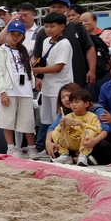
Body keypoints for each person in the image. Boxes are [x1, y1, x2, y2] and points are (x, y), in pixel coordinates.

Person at [30, 12, 73, 156]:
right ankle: (47, 147)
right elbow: (44, 62)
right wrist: (39, 77)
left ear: (62, 26)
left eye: (52, 26)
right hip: (48, 86)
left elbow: (58, 67)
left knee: (58, 119)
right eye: (47, 26)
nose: (49, 29)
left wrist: (33, 69)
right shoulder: (45, 41)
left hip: (60, 87)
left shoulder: (64, 44)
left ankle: (62, 148)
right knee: (46, 119)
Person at [0, 20, 37, 157]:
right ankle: (11, 147)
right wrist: (2, 91)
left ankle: (31, 147)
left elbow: (29, 69)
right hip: (9, 89)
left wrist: (32, 84)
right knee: (8, 119)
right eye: (13, 34)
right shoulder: (2, 50)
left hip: (25, 90)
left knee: (27, 120)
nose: (15, 37)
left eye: (19, 34)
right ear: (8, 34)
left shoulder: (25, 50)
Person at [49, 89, 103, 165]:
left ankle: (83, 155)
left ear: (86, 104)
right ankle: (64, 155)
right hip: (71, 142)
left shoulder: (92, 116)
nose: (73, 105)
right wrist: (62, 125)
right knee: (55, 132)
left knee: (89, 131)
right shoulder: (69, 116)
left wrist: (82, 125)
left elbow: (97, 130)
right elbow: (57, 130)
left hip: (85, 142)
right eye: (71, 102)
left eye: (77, 102)